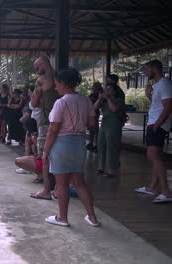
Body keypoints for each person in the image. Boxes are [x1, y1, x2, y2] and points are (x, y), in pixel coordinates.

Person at [42, 68, 99, 227]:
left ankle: (62, 218)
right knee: (80, 183)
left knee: (61, 184)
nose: (55, 87)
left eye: (56, 84)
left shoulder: (61, 102)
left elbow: (53, 129)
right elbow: (92, 123)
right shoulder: (85, 100)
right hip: (79, 144)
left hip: (62, 144)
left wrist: (45, 151)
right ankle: (92, 218)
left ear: (62, 83)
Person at [135, 60, 172, 203]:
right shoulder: (158, 85)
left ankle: (166, 191)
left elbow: (168, 106)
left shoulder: (164, 83)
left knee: (153, 155)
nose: (145, 72)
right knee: (156, 156)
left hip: (157, 125)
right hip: (155, 123)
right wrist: (148, 95)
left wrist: (158, 124)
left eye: (146, 69)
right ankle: (152, 187)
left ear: (153, 68)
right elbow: (158, 105)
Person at [30, 56, 60, 200]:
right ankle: (59, 188)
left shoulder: (42, 80)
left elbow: (34, 103)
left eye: (37, 68)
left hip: (47, 120)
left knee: (45, 156)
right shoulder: (61, 77)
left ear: (43, 64)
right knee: (58, 155)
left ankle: (47, 189)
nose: (37, 72)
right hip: (61, 121)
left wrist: (35, 96)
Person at [93, 83, 125, 177]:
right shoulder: (103, 101)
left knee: (112, 146)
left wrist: (108, 98)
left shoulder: (118, 100)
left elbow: (114, 109)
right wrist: (99, 98)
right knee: (101, 144)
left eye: (109, 89)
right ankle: (101, 167)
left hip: (114, 123)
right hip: (104, 124)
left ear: (115, 91)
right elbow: (94, 108)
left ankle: (112, 169)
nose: (107, 91)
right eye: (106, 89)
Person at [87, 82, 103, 152]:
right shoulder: (93, 95)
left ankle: (97, 145)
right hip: (90, 113)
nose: (93, 88)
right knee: (91, 130)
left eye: (94, 86)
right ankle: (91, 143)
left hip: (95, 114)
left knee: (96, 130)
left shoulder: (99, 95)